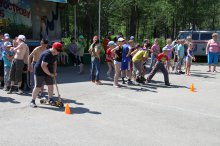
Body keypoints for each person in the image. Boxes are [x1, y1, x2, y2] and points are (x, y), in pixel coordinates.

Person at [30, 42, 63, 108]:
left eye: (59, 51)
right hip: (39, 70)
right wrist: (50, 74)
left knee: (50, 85)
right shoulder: (47, 54)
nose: (58, 52)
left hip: (48, 70)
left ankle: (50, 99)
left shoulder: (55, 54)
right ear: (53, 48)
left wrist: (54, 71)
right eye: (57, 50)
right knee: (38, 86)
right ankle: (32, 101)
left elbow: (54, 63)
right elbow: (43, 66)